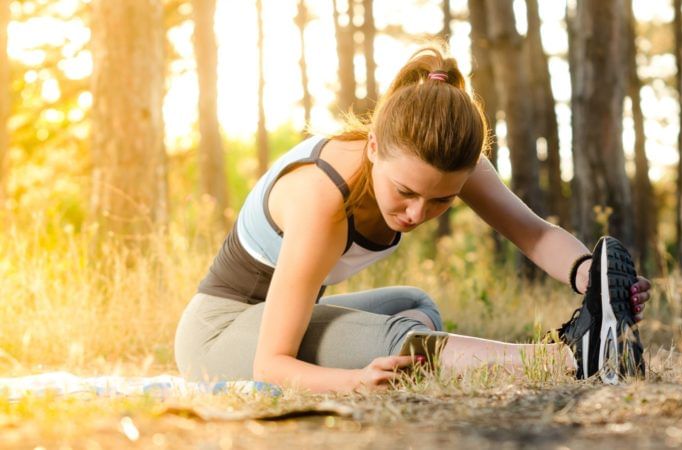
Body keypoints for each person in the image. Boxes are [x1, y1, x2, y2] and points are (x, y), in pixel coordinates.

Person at [173, 46, 652, 392]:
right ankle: (569, 359)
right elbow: (270, 364)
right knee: (400, 342)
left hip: (280, 320)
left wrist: (592, 278)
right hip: (218, 337)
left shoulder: (444, 161)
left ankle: (590, 344)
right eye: (405, 192)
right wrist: (352, 380)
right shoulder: (322, 197)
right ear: (375, 147)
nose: (418, 213)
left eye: (441, 201)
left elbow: (535, 233)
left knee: (415, 304)